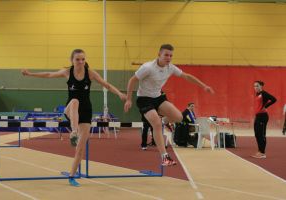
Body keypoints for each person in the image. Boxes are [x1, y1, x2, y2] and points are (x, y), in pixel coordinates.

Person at [21, 49, 126, 186]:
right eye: (78, 59)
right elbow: (48, 74)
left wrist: (119, 93)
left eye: (83, 59)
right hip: (70, 109)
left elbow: (106, 85)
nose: (81, 62)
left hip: (86, 112)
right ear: (72, 60)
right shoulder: (67, 72)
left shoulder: (90, 73)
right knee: (75, 101)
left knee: (80, 148)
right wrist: (30, 74)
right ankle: (74, 132)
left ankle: (71, 176)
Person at [124, 44, 214, 166]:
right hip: (144, 99)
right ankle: (165, 157)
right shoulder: (148, 67)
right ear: (159, 54)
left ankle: (162, 121)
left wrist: (204, 86)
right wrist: (129, 99)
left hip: (159, 97)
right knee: (155, 124)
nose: (168, 58)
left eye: (171, 55)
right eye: (166, 55)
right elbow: (132, 80)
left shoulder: (170, 68)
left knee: (179, 117)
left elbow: (186, 76)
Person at [252, 81, 276, 159]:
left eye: (257, 86)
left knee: (261, 135)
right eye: (254, 86)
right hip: (258, 116)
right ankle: (259, 151)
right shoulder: (257, 94)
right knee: (257, 134)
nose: (255, 88)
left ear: (261, 86)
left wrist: (266, 106)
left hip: (263, 116)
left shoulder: (264, 93)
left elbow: (274, 99)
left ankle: (262, 153)